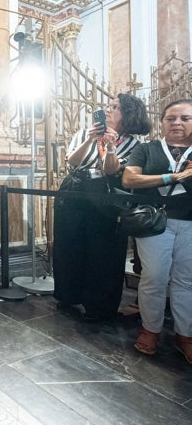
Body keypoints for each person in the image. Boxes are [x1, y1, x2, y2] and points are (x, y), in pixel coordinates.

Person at [53, 94, 149, 321]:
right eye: (108, 106)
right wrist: (89, 140)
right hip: (73, 191)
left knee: (103, 250)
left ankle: (99, 306)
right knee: (68, 244)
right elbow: (73, 162)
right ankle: (67, 295)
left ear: (128, 115)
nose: (107, 110)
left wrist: (110, 147)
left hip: (105, 195)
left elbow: (111, 171)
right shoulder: (84, 134)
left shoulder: (134, 146)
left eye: (115, 107)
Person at [123, 99, 192, 364]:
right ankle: (150, 329)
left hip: (189, 222)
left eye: (185, 118)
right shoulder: (148, 149)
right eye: (170, 118)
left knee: (187, 280)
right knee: (154, 277)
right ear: (162, 122)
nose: (176, 123)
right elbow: (130, 179)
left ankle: (185, 335)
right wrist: (172, 177)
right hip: (154, 222)